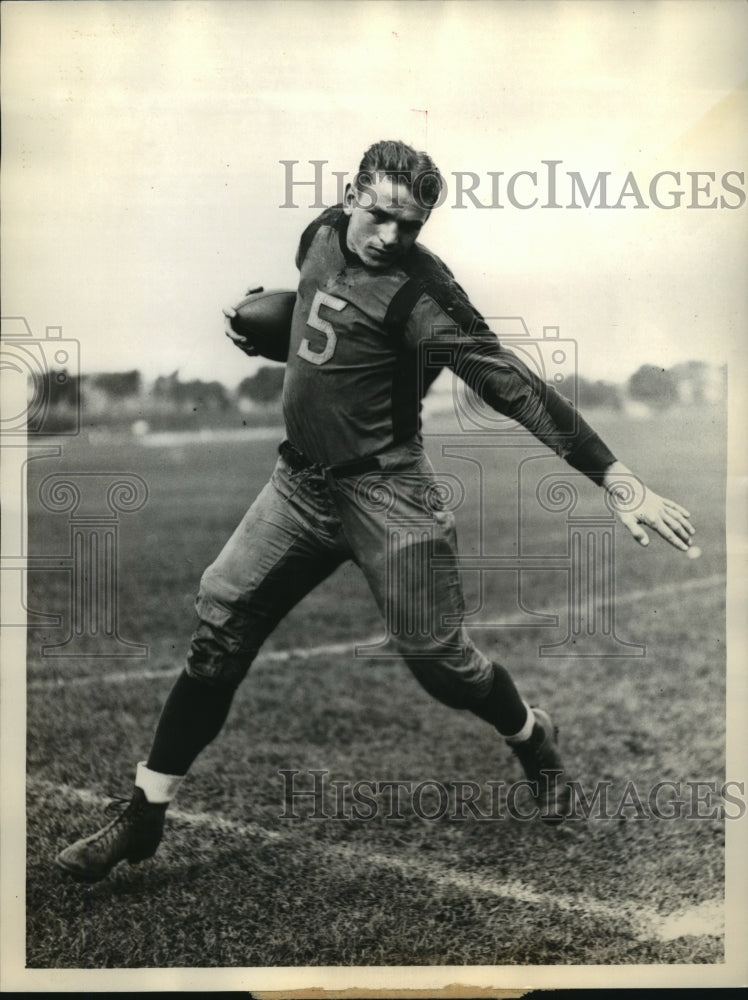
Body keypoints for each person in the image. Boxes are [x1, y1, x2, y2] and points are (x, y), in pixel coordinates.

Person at [56, 140, 695, 882]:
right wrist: (278, 336)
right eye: (383, 214)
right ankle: (143, 816)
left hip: (389, 495)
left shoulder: (422, 296)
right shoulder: (321, 233)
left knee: (442, 666)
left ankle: (529, 734)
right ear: (352, 191)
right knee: (218, 630)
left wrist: (616, 478)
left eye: (412, 226)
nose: (392, 236)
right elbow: (324, 322)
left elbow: (512, 386)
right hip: (299, 486)